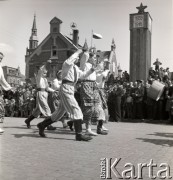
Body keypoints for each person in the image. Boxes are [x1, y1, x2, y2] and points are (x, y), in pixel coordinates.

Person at [37, 49, 95, 141]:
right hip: (66, 89)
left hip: (70, 89)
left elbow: (83, 75)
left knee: (58, 114)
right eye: (76, 57)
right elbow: (69, 61)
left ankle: (42, 125)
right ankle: (79, 135)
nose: (78, 59)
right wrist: (78, 52)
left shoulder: (75, 68)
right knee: (76, 110)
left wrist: (91, 70)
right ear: (72, 56)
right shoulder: (66, 64)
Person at [80, 51, 108, 136]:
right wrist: (87, 51)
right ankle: (87, 128)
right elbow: (84, 56)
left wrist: (102, 61)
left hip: (94, 85)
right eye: (94, 57)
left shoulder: (93, 66)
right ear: (89, 58)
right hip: (86, 84)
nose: (95, 59)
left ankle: (99, 126)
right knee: (89, 107)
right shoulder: (84, 64)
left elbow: (100, 67)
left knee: (98, 107)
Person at [24, 61, 56, 130]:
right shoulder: (39, 78)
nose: (45, 74)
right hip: (40, 93)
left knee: (38, 110)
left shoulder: (45, 80)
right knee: (46, 108)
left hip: (45, 94)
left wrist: (54, 91)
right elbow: (40, 71)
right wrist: (46, 64)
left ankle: (28, 120)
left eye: (46, 73)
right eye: (44, 73)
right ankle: (48, 125)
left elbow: (47, 88)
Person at [0, 52, 13, 133]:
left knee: (0, 107)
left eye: (1, 58)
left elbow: (2, 79)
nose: (0, 59)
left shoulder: (0, 68)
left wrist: (9, 87)